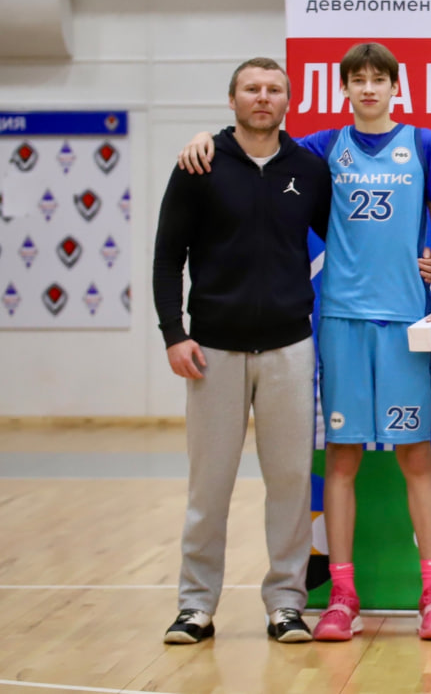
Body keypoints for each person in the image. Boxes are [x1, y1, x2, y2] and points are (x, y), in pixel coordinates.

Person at [178, 42, 431, 642]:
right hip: (339, 320)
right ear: (344, 88)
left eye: (379, 79)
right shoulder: (320, 148)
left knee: (416, 457)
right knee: (341, 458)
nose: (369, 88)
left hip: (405, 322)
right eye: (358, 79)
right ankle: (341, 596)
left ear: (396, 87)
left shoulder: (425, 144)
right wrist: (205, 138)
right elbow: (255, 145)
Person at [154, 57, 331, 644]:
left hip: (290, 346)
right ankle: (195, 607)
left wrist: (418, 264)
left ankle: (285, 605)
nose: (263, 97)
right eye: (251, 89)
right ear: (232, 100)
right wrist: (173, 333)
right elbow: (167, 256)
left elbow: (349, 243)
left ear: (288, 101)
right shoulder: (198, 164)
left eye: (274, 89)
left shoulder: (309, 168)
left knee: (290, 483)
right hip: (212, 349)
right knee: (209, 486)